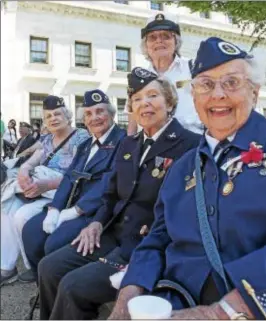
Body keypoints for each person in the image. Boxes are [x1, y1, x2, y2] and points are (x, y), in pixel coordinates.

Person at [110, 38, 266, 320]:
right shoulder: (183, 167)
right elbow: (158, 238)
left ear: (254, 92)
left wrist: (223, 311)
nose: (217, 94)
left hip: (259, 307)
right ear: (193, 97)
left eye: (231, 82)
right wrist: (130, 292)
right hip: (174, 302)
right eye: (205, 84)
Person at [37, 67, 200, 320]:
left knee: (72, 286)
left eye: (152, 96)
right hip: (112, 232)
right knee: (48, 267)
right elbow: (111, 194)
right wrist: (96, 223)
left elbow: (180, 215)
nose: (144, 104)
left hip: (144, 244)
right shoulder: (129, 144)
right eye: (136, 99)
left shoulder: (190, 145)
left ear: (169, 102)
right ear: (131, 109)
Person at [21, 89, 126, 283]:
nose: (94, 118)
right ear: (84, 120)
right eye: (88, 113)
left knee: (53, 244)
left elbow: (111, 181)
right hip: (68, 203)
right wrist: (55, 208)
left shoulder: (123, 141)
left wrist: (76, 211)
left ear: (111, 114)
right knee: (30, 232)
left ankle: (58, 289)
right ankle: (43, 284)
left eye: (100, 111)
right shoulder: (86, 144)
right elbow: (70, 176)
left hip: (94, 210)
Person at [0, 95, 89, 286]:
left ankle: (33, 266)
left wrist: (46, 185)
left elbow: (78, 175)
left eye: (57, 114)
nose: (53, 119)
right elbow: (35, 159)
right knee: (6, 208)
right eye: (48, 116)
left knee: (21, 216)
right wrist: (24, 170)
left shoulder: (81, 137)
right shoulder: (48, 139)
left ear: (68, 116)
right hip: (40, 187)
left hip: (64, 192)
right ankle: (7, 267)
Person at [126, 13, 203, 135]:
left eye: (165, 36)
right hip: (153, 146)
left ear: (175, 41)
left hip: (192, 143)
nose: (159, 41)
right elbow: (133, 120)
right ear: (146, 45)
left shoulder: (194, 69)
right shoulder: (139, 78)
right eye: (152, 37)